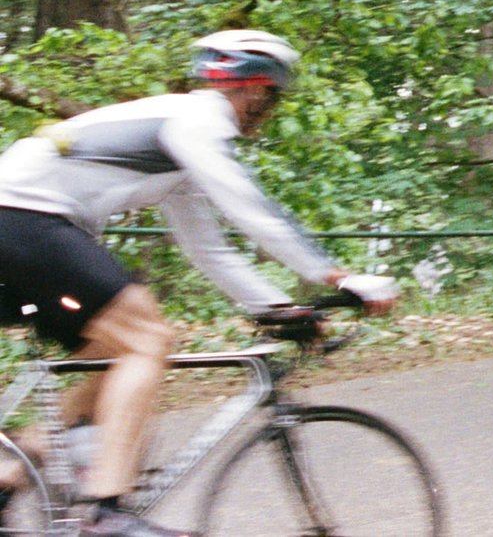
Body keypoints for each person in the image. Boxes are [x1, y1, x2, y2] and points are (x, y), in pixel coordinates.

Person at [0, 30, 397, 537]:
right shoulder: (198, 121)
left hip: (24, 221)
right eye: (274, 97)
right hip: (22, 217)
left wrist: (277, 308)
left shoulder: (178, 143)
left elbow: (209, 250)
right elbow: (251, 209)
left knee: (115, 353)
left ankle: (8, 479)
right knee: (148, 339)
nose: (271, 110)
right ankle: (108, 514)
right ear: (256, 89)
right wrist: (339, 276)